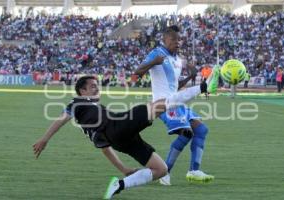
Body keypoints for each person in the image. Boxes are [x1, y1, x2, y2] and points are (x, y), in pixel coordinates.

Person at [33, 75, 218, 199]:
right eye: (92, 87)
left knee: (161, 170)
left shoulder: (91, 120)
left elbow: (105, 148)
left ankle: (120, 185)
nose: (97, 89)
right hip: (117, 125)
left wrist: (123, 169)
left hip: (118, 139)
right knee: (159, 105)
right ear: (82, 91)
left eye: (97, 86)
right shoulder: (78, 102)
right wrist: (45, 139)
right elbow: (61, 119)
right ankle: (204, 86)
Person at [135, 26, 217, 186]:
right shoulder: (157, 54)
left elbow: (174, 86)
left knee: (201, 130)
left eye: (178, 40)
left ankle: (194, 171)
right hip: (163, 104)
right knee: (187, 133)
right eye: (173, 40)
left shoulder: (177, 60)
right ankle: (165, 172)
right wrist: (154, 62)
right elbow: (137, 72)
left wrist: (189, 78)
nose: (177, 43)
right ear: (164, 40)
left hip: (176, 100)